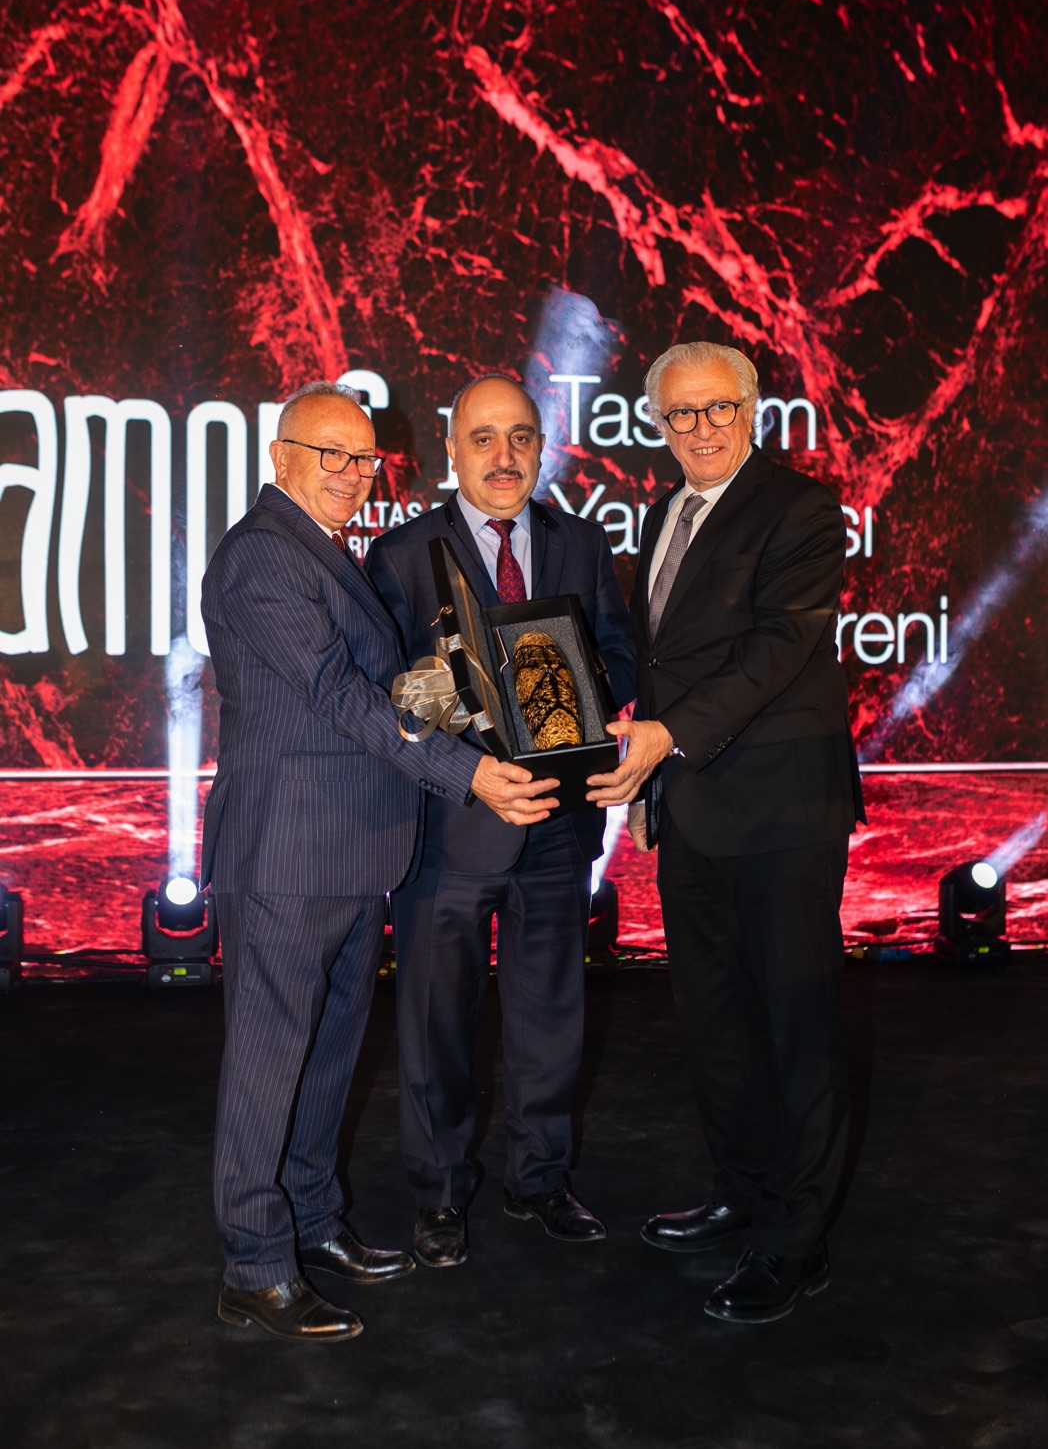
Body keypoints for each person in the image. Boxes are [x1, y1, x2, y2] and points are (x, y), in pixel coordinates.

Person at [200, 381, 557, 1343]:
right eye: (332, 454)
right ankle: (254, 1265)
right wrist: (468, 770)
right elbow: (335, 693)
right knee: (269, 1065)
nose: (353, 473)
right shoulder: (262, 554)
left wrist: (460, 691)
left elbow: (376, 692)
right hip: (287, 854)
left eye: (363, 458)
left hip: (355, 853)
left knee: (327, 1059)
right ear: (280, 457)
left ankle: (314, 1222)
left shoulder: (324, 550)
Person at [587, 341, 865, 1324]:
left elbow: (780, 647)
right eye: (681, 413)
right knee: (715, 1020)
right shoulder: (663, 511)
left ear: (751, 410)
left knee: (794, 1026)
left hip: (781, 811)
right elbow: (666, 658)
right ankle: (742, 1192)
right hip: (693, 806)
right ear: (657, 424)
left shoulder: (799, 509)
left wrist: (666, 735)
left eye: (718, 408)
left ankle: (796, 1240)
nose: (700, 428)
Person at [366, 373, 635, 1267]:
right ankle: (440, 1192)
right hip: (450, 827)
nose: (504, 455)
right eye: (483, 437)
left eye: (520, 436)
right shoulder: (402, 554)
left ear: (541, 448)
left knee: (551, 1019)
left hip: (558, 823)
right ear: (452, 451)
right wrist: (456, 718)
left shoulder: (581, 542)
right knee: (436, 1025)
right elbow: (385, 696)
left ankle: (539, 1178)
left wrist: (593, 698)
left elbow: (619, 652)